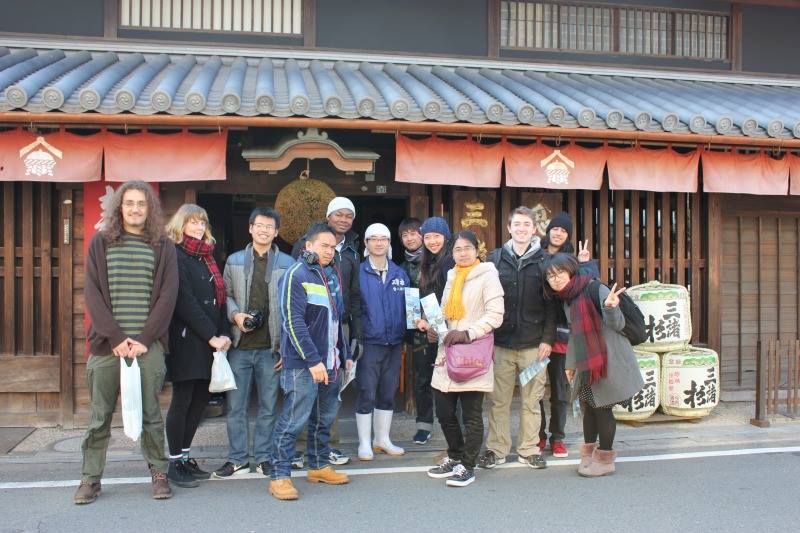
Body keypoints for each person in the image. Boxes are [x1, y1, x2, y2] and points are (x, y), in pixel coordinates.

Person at [76, 181, 178, 504]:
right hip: (108, 346)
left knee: (151, 414)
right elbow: (92, 293)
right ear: (119, 208)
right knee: (99, 417)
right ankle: (91, 478)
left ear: (150, 210)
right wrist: (117, 338)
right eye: (129, 203)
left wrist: (146, 338)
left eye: (142, 204)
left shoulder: (163, 246)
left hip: (148, 346)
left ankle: (158, 473)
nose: (135, 209)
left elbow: (168, 295)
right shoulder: (101, 242)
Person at [269, 223, 353, 501]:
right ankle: (279, 475)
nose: (328, 251)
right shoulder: (296, 273)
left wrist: (344, 354)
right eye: (323, 246)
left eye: (332, 247)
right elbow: (293, 323)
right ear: (308, 246)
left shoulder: (329, 276)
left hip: (330, 361)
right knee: (294, 419)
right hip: (305, 364)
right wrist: (313, 361)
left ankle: (318, 466)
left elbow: (335, 321)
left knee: (323, 419)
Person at [544, 253, 644, 477]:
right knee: (590, 405)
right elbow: (574, 333)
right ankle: (589, 454)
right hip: (587, 359)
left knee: (603, 407)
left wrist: (610, 306)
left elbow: (617, 324)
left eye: (559, 273)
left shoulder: (594, 288)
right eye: (550, 276)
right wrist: (570, 365)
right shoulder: (567, 298)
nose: (556, 279)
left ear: (571, 271)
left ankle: (605, 458)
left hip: (608, 359)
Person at [213, 207, 294, 479]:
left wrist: (286, 345)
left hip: (272, 347)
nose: (264, 230)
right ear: (250, 228)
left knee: (269, 406)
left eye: (269, 227)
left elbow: (290, 305)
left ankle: (262, 457)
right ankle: (236, 459)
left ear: (276, 232)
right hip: (239, 346)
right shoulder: (235, 260)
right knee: (236, 407)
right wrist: (236, 315)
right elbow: (227, 295)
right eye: (259, 225)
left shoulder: (286, 262)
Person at [421, 231, 504, 488]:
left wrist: (467, 333)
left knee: (471, 414)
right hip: (448, 352)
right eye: (458, 249)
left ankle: (468, 465)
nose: (462, 253)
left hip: (472, 352)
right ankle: (455, 455)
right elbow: (447, 312)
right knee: (444, 411)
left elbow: (495, 315)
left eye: (467, 248)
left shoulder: (488, 275)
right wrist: (437, 328)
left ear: (477, 250)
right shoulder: (451, 275)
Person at [477, 207, 556, 470]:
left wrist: (548, 338)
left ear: (534, 229)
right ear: (509, 228)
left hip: (535, 345)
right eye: (517, 224)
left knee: (532, 400)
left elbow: (552, 306)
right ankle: (496, 449)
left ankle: (529, 449)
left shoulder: (545, 261)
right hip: (501, 344)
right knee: (499, 401)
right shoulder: (495, 259)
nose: (522, 229)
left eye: (527, 225)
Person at [291, 196, 363, 466]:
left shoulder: (353, 250)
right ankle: (299, 448)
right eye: (339, 214)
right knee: (307, 389)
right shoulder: (305, 244)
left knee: (331, 391)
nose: (343, 219)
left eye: (348, 216)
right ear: (329, 216)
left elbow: (355, 295)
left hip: (338, 325)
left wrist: (356, 334)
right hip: (311, 325)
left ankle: (328, 446)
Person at [164, 204, 231, 488]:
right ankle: (173, 462)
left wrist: (224, 333)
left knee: (200, 402)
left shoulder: (207, 257)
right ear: (181, 225)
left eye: (202, 223)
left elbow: (221, 299)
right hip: (186, 339)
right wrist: (210, 335)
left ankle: (185, 456)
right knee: (182, 401)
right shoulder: (176, 254)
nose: (198, 227)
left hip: (210, 341)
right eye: (192, 222)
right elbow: (185, 301)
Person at [537, 212, 597, 458]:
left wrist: (584, 263)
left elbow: (590, 284)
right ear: (548, 231)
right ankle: (538, 436)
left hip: (563, 337)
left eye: (564, 230)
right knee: (536, 391)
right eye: (555, 228)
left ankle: (558, 438)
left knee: (560, 392)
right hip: (537, 336)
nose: (558, 233)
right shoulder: (537, 257)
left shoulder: (573, 260)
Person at [355, 223, 410, 461]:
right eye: (373, 239)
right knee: (367, 391)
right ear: (366, 244)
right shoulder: (358, 272)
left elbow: (410, 308)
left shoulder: (400, 273)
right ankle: (364, 442)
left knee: (388, 392)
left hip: (395, 341)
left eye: (383, 239)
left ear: (389, 243)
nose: (379, 243)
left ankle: (382, 439)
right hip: (369, 342)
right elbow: (354, 308)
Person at [412, 217, 455, 444]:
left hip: (447, 330)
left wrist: (440, 327)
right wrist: (418, 318)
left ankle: (453, 427)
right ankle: (424, 425)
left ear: (445, 237)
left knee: (449, 378)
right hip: (425, 329)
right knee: (422, 378)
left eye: (436, 236)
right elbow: (418, 298)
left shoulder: (451, 262)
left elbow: (453, 299)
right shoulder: (423, 263)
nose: (432, 241)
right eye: (427, 237)